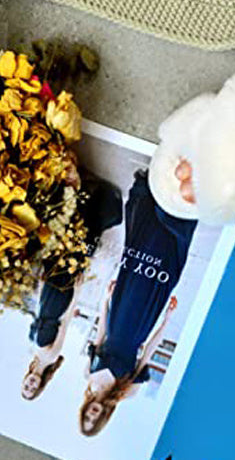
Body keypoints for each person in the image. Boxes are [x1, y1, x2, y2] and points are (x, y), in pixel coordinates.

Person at [79, 171, 196, 436]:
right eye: (94, 420)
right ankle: (177, 203)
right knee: (161, 261)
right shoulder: (127, 392)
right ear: (102, 418)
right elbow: (149, 352)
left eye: (87, 416)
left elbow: (100, 334)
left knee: (138, 254)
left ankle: (154, 192)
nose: (92, 414)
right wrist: (167, 319)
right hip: (142, 322)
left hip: (117, 314)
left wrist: (106, 299)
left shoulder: (88, 374)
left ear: (84, 409)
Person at [21, 173, 123, 401]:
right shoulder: (50, 356)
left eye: (26, 386)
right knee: (77, 250)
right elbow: (64, 324)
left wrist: (40, 287)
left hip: (47, 296)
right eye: (33, 388)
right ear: (40, 385)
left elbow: (37, 313)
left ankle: (81, 197)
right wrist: (76, 293)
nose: (30, 384)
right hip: (61, 299)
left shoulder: (33, 348)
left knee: (63, 246)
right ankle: (104, 203)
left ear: (24, 379)